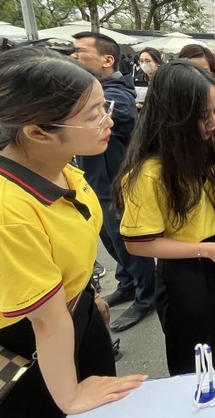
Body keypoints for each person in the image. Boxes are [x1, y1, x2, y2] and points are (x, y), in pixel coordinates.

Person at [0, 47, 146, 417]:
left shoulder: (59, 168)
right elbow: (45, 320)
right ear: (37, 132)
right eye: (93, 114)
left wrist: (85, 298)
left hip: (70, 316)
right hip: (21, 352)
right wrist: (68, 397)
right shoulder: (0, 212)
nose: (109, 122)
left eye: (104, 107)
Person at [116, 60, 215, 375]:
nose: (214, 122)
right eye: (203, 115)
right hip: (184, 270)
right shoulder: (148, 172)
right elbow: (139, 244)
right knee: (195, 358)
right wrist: (208, 250)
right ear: (173, 116)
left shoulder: (211, 151)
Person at [71, 31, 156, 331]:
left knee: (128, 242)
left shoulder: (116, 92)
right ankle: (127, 283)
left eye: (80, 52)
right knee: (111, 241)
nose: (73, 57)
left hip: (115, 182)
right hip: (95, 180)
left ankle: (147, 296)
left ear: (107, 60)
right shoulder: (100, 89)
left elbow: (117, 116)